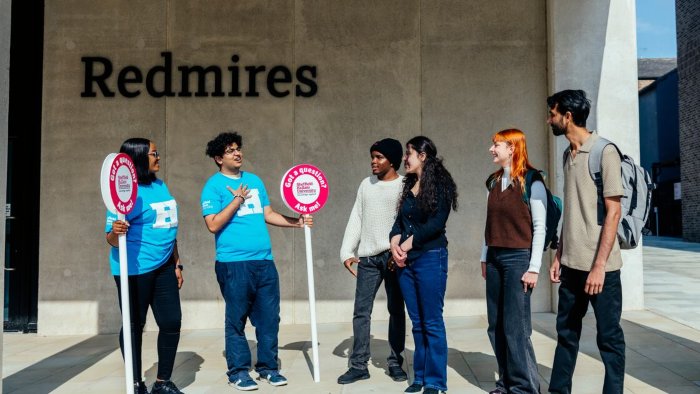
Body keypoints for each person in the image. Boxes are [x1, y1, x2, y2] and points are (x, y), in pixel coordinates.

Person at [200, 131, 313, 391]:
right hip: (233, 264)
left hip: (264, 262)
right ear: (218, 158)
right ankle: (238, 372)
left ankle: (268, 368)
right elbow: (213, 224)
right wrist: (237, 199)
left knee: (269, 319)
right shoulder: (213, 186)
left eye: (238, 148)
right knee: (236, 319)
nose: (238, 153)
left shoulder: (254, 181)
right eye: (230, 150)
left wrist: (298, 222)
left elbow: (268, 214)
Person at [547, 90, 625, 394]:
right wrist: (559, 254)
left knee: (609, 339)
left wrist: (599, 267)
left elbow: (613, 212)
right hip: (571, 265)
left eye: (552, 114)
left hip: (601, 269)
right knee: (566, 334)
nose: (549, 119)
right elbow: (573, 210)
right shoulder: (568, 155)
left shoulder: (604, 152)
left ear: (567, 117)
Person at [105, 138, 184, 394]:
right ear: (138, 157)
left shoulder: (161, 185)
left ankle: (162, 383)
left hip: (164, 266)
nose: (158, 157)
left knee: (171, 321)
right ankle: (135, 383)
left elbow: (168, 227)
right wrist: (116, 231)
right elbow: (111, 238)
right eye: (153, 153)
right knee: (133, 325)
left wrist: (177, 263)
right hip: (135, 269)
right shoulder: (125, 191)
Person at [480, 129, 546, 393]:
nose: (491, 149)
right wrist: (484, 257)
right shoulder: (493, 182)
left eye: (496, 145)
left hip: (519, 259)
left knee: (516, 327)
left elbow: (540, 227)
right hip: (495, 257)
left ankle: (524, 388)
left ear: (513, 148)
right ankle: (506, 382)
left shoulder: (533, 182)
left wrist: (534, 267)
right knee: (495, 325)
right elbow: (488, 224)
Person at [390, 136, 458, 394]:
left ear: (423, 155)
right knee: (417, 322)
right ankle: (419, 377)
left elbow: (436, 224)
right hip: (406, 262)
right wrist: (395, 243)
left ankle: (435, 381)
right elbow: (399, 221)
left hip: (431, 257)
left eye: (409, 153)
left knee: (431, 321)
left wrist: (407, 244)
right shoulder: (408, 185)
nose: (405, 158)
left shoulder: (440, 185)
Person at [337, 138, 408, 385]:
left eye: (379, 157)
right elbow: (357, 217)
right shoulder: (365, 185)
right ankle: (358, 365)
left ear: (392, 160)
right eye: (372, 156)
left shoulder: (405, 185)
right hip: (368, 258)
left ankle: (395, 361)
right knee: (361, 312)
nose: (373, 161)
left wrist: (400, 251)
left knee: (396, 310)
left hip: (394, 257)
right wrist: (347, 251)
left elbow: (410, 223)